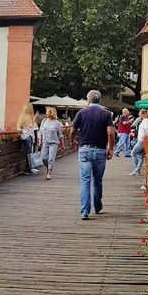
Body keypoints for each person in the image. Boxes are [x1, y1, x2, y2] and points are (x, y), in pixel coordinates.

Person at [72, 91, 114, 219]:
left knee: (85, 180)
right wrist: (110, 149)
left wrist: (72, 141)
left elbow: (72, 130)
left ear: (88, 100)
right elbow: (111, 132)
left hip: (84, 150)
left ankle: (84, 211)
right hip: (100, 150)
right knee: (98, 180)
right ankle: (97, 205)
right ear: (99, 100)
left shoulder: (81, 113)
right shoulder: (106, 114)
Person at [37, 106, 63, 180]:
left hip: (53, 143)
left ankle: (49, 173)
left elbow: (60, 135)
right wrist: (39, 140)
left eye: (47, 112)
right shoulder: (44, 121)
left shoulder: (57, 123)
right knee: (43, 158)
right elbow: (40, 131)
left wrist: (62, 145)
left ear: (51, 113)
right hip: (45, 142)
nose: (46, 113)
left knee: (51, 158)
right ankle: (48, 167)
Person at [15, 103, 39, 175]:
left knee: (25, 152)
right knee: (29, 153)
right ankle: (28, 167)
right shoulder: (30, 118)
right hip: (28, 137)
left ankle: (28, 168)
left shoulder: (21, 118)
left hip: (23, 136)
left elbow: (19, 128)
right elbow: (31, 130)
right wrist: (33, 138)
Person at [133, 109, 148, 176]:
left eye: (140, 113)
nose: (139, 115)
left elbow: (147, 129)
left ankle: (136, 169)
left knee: (133, 153)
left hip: (141, 140)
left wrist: (146, 136)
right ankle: (137, 169)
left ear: (143, 114)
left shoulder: (145, 120)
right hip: (142, 140)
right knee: (140, 155)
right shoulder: (146, 120)